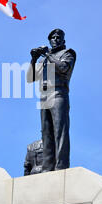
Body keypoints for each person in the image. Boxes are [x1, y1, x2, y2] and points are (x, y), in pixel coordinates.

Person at [27, 29, 76, 171]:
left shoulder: (67, 53)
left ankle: (61, 167)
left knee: (60, 131)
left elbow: (64, 68)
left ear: (63, 40)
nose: (55, 39)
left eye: (58, 37)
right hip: (44, 97)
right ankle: (47, 168)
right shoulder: (43, 61)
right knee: (46, 133)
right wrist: (34, 59)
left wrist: (48, 54)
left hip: (58, 94)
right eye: (52, 37)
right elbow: (30, 78)